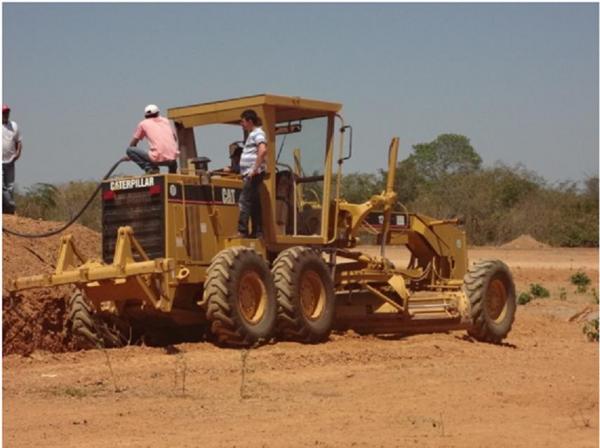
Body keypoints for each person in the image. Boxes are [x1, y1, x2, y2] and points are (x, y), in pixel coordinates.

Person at [238, 109, 267, 238]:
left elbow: (262, 150)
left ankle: (242, 231)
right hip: (251, 173)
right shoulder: (253, 134)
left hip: (253, 174)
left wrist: (254, 169)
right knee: (254, 203)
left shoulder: (258, 133)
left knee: (244, 200)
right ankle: (258, 231)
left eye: (242, 121)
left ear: (249, 121)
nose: (241, 124)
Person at [127, 104, 179, 174]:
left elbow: (133, 144)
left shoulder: (143, 124)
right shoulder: (166, 121)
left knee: (130, 150)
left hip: (156, 158)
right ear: (158, 113)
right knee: (173, 162)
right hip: (172, 159)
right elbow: (174, 139)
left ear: (145, 115)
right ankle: (173, 175)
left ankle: (150, 168)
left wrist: (131, 156)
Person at [2, 104, 22, 214]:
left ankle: (7, 210)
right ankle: (9, 207)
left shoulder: (14, 126)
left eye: (7, 112)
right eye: (3, 112)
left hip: (10, 160)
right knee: (2, 186)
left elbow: (18, 141)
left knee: (10, 186)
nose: (5, 114)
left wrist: (18, 153)